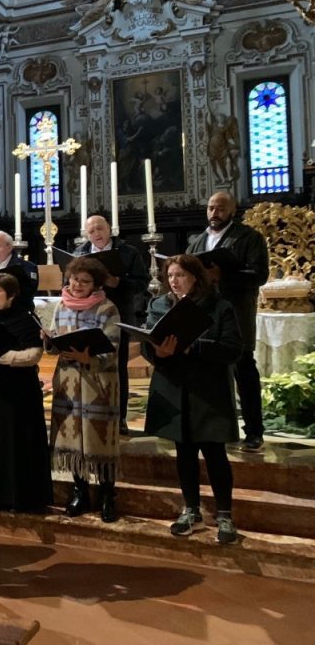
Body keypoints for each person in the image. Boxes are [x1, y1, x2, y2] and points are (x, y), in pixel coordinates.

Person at [142, 255, 243, 544]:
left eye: (181, 275)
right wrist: (157, 353)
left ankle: (224, 514)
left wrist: (192, 349)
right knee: (183, 452)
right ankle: (192, 511)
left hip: (208, 390)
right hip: (173, 387)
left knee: (214, 454)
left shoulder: (219, 306)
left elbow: (232, 349)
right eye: (170, 275)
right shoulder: (158, 305)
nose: (174, 281)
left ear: (195, 277)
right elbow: (150, 343)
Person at [185, 191, 269, 451]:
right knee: (208, 373)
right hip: (204, 315)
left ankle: (254, 431)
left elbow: (259, 275)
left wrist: (222, 275)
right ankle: (215, 429)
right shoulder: (196, 242)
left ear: (233, 211)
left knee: (243, 369)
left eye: (220, 208)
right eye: (210, 207)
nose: (214, 213)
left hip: (236, 313)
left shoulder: (249, 238)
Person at [46, 257, 121, 523]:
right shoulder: (61, 305)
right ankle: (79, 490)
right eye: (74, 279)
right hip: (68, 381)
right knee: (71, 436)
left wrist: (89, 357)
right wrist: (50, 341)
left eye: (85, 281)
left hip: (97, 383)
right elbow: (55, 340)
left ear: (96, 284)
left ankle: (106, 494)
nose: (78, 285)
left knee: (98, 438)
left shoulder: (107, 309)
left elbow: (112, 349)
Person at [0, 274, 52, 512]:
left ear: (12, 295)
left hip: (21, 392)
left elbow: (34, 354)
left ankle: (24, 497)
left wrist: (4, 356)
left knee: (20, 442)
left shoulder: (27, 319)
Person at [74, 214, 149, 434]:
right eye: (91, 231)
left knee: (117, 367)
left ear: (109, 228)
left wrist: (117, 282)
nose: (96, 234)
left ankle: (120, 417)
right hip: (86, 318)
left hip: (118, 316)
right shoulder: (80, 254)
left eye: (100, 228)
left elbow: (142, 284)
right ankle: (88, 411)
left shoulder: (128, 252)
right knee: (87, 363)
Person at [0, 232, 39, 312]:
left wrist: (4, 292)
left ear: (9, 247)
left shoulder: (27, 267)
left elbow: (29, 292)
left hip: (18, 313)